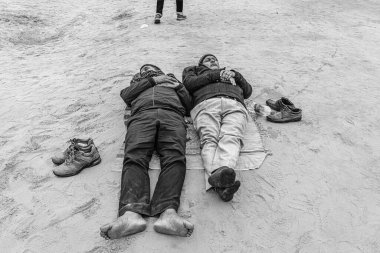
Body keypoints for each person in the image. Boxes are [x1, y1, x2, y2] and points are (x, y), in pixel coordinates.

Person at [100, 64, 194, 239]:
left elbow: (189, 105)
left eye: (150, 68)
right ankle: (131, 214)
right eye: (144, 70)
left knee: (175, 157)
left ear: (161, 70)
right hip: (142, 115)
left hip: (172, 114)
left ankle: (168, 214)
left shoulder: (172, 80)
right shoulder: (139, 83)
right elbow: (126, 95)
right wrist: (152, 81)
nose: (146, 70)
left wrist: (179, 87)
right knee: (134, 157)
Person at [182, 54, 253, 202]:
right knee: (210, 139)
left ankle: (222, 181)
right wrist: (216, 75)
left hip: (234, 103)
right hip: (206, 104)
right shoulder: (193, 71)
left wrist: (236, 75)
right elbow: (189, 83)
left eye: (214, 59)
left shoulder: (231, 74)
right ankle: (224, 183)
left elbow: (247, 92)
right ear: (201, 64)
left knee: (232, 136)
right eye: (208, 60)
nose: (212, 60)